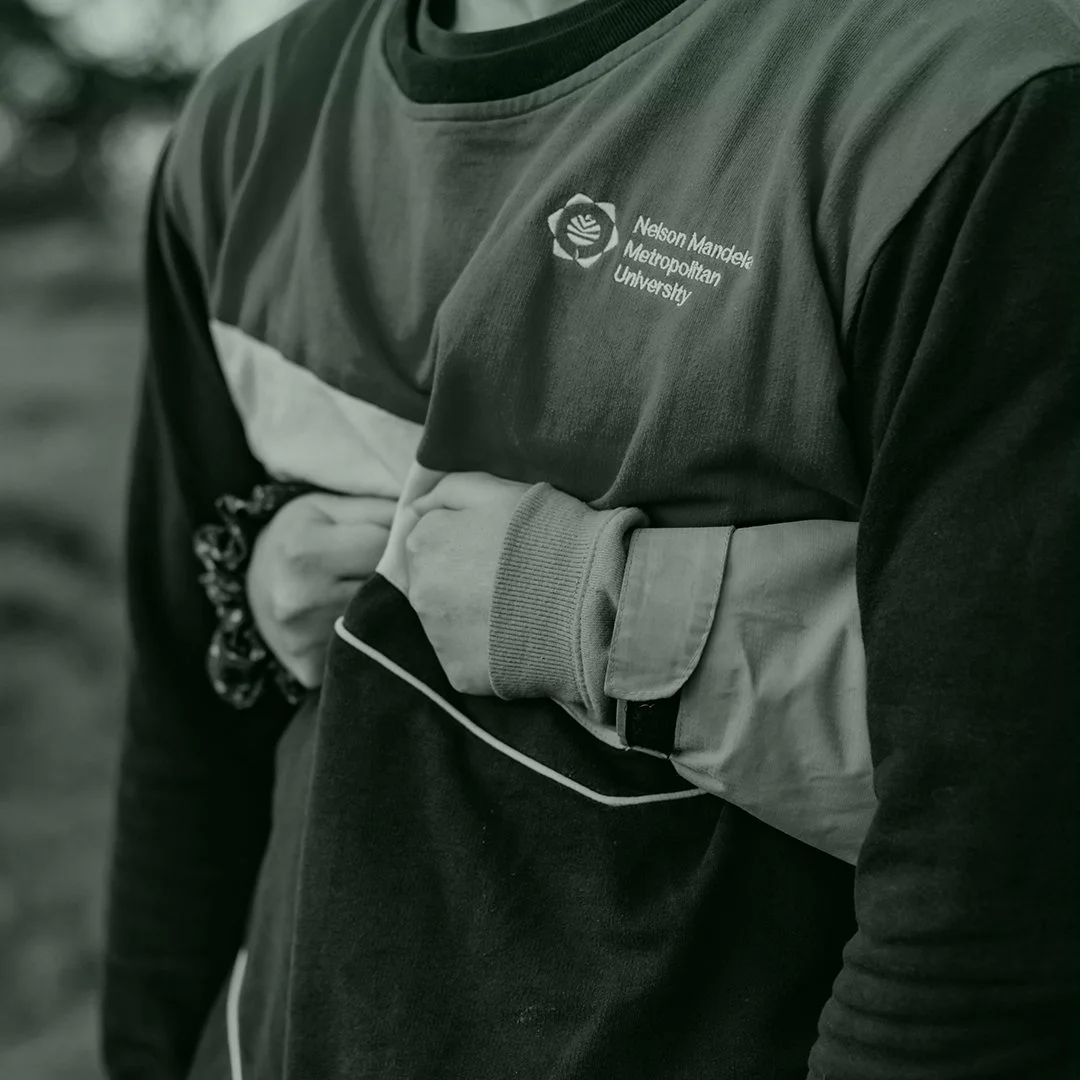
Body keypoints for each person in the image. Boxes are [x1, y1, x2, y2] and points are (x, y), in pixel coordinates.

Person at [101, 0, 1080, 1077]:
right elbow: (187, 719)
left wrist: (575, 604)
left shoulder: (966, 109)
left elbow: (987, 881)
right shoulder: (250, 122)